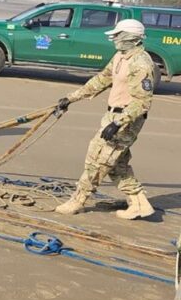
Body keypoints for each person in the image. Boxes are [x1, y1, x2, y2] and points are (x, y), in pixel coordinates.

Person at [54, 19, 156, 219]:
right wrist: (71, 98)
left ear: (131, 37)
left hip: (127, 119)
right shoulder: (121, 56)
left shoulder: (141, 63)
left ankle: (78, 200)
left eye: (118, 35)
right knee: (116, 164)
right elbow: (101, 80)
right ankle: (139, 204)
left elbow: (142, 102)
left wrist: (118, 123)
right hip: (112, 115)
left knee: (98, 160)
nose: (114, 39)